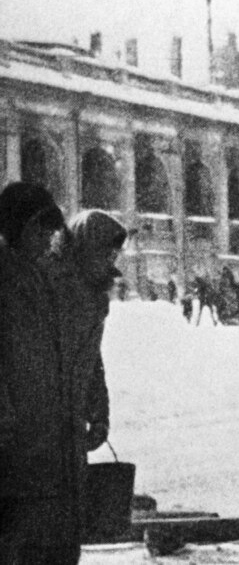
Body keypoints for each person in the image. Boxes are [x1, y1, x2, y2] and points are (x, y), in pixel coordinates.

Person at [0, 181, 79, 564]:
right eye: (39, 230)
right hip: (11, 438)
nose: (47, 239)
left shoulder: (37, 277)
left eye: (50, 231)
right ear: (15, 228)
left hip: (40, 436)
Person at [55, 210, 129, 534]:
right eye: (106, 251)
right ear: (85, 247)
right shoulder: (51, 288)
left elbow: (90, 359)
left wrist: (98, 413)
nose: (111, 259)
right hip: (39, 422)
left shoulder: (93, 293)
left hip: (68, 421)